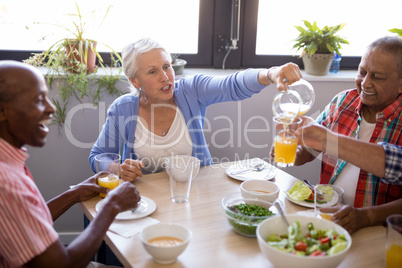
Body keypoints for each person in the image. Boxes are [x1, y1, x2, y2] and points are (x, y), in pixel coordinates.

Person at [89, 37, 303, 181]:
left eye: (166, 66)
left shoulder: (191, 90)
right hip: (147, 203)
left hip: (197, 194)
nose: (165, 77)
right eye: (152, 72)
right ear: (135, 81)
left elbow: (232, 85)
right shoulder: (123, 109)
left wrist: (271, 73)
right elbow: (98, 156)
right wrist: (116, 169)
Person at [0, 60, 141, 268]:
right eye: (38, 100)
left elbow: (26, 220)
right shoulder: (7, 181)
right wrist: (112, 206)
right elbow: (62, 265)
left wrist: (74, 194)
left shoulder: (8, 160)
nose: (51, 109)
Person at [294, 36, 402, 233]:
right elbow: (309, 149)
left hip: (380, 232)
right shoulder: (343, 101)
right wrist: (292, 150)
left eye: (377, 77)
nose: (365, 83)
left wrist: (365, 216)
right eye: (362, 72)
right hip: (330, 221)